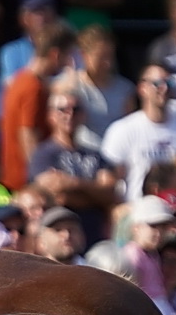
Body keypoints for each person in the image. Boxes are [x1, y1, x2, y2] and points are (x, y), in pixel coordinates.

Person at [100, 64, 176, 203]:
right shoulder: (122, 130)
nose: (164, 88)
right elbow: (109, 178)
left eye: (169, 83)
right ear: (142, 88)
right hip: (137, 209)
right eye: (157, 83)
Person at [27, 88, 116, 246]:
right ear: (51, 116)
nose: (69, 114)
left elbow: (110, 192)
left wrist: (74, 183)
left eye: (75, 109)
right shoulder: (43, 154)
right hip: (62, 234)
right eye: (62, 109)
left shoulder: (95, 154)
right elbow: (57, 196)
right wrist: (95, 196)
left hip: (96, 231)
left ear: (83, 115)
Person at [1, 23, 76, 192]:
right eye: (67, 55)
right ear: (55, 55)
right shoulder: (32, 87)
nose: (69, 62)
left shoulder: (21, 80)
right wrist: (40, 180)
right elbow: (28, 135)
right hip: (24, 184)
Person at [64, 24, 133, 140]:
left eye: (110, 56)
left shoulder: (125, 89)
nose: (108, 63)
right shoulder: (71, 85)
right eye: (101, 57)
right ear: (84, 55)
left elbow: (130, 128)